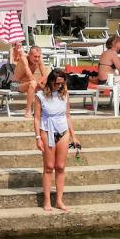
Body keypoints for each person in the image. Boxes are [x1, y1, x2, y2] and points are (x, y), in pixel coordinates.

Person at [34, 68, 77, 212]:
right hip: (47, 130)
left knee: (60, 167)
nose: (59, 86)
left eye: (61, 83)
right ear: (51, 81)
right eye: (57, 83)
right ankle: (47, 200)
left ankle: (59, 200)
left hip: (63, 131)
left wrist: (74, 135)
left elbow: (68, 116)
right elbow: (37, 118)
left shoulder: (64, 95)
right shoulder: (40, 95)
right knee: (48, 167)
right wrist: (38, 137)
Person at [12, 42, 48, 117]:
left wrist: (43, 84)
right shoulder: (24, 59)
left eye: (38, 56)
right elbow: (30, 76)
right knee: (33, 83)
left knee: (46, 83)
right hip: (15, 84)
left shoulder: (39, 60)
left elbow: (45, 75)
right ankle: (28, 111)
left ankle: (42, 109)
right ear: (29, 55)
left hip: (28, 83)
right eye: (35, 56)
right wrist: (41, 85)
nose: (37, 59)